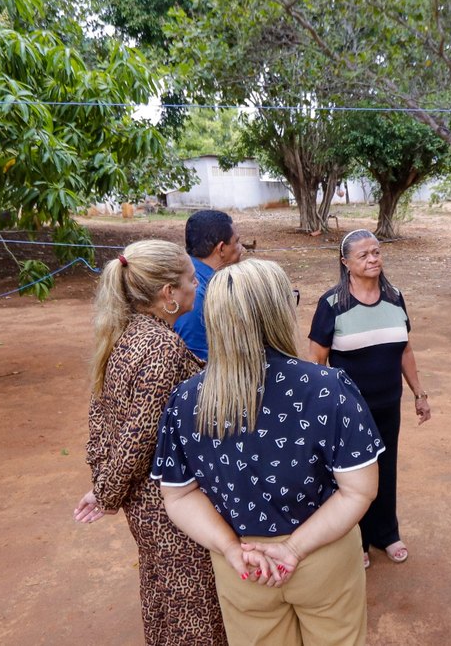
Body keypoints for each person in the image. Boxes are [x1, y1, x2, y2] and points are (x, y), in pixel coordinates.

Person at [151, 259, 381, 646]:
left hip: (241, 564)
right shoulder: (327, 387)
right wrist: (292, 548)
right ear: (277, 312)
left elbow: (178, 494)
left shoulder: (186, 400)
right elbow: (359, 490)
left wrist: (229, 549)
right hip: (321, 555)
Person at [73, 239, 226, 645]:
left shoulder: (124, 334)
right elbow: (140, 435)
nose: (199, 287)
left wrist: (103, 485)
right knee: (193, 606)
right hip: (167, 504)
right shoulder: (162, 347)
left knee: (163, 592)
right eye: (192, 280)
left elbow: (101, 419)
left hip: (143, 503)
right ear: (168, 294)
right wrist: (106, 493)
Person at [308, 229, 431, 568]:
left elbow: (405, 349)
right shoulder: (332, 304)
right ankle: (358, 539)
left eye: (376, 252)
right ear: (346, 262)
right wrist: (322, 406)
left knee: (386, 469)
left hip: (389, 405)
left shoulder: (394, 297)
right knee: (352, 476)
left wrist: (419, 394)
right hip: (348, 412)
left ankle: (386, 533)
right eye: (363, 255)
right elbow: (317, 360)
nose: (373, 258)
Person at [174, 209, 244, 360]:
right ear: (221, 249)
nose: (241, 248)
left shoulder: (198, 280)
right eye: (237, 242)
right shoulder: (195, 296)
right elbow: (199, 362)